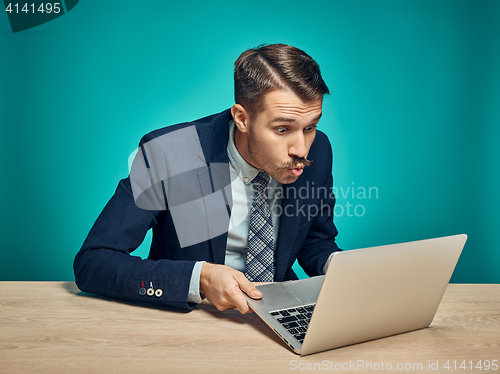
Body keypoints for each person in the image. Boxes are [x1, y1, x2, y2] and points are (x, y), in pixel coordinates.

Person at [74, 44, 342, 314]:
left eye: (310, 127)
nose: (301, 149)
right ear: (242, 119)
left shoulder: (319, 150)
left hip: (281, 312)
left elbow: (314, 241)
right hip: (196, 317)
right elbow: (94, 262)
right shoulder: (168, 153)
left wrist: (341, 267)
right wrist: (199, 278)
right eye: (282, 128)